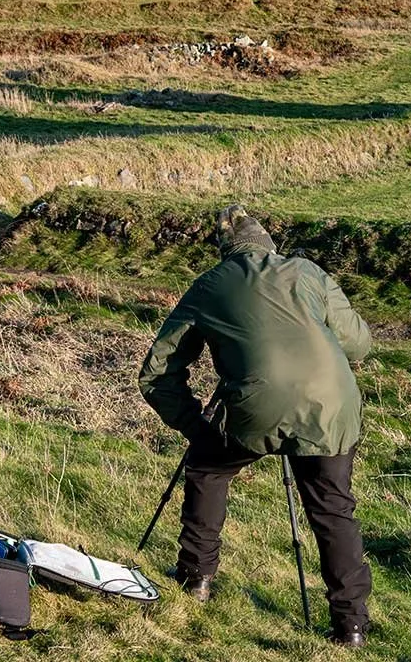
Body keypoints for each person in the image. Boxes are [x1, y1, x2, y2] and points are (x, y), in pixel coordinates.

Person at [138, 205, 373, 647]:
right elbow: (359, 343)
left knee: (209, 469)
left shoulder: (209, 285)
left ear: (226, 252)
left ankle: (196, 580)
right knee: (332, 508)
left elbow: (157, 372)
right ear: (269, 246)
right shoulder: (308, 272)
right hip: (332, 404)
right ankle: (351, 625)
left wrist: (195, 427)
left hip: (255, 407)